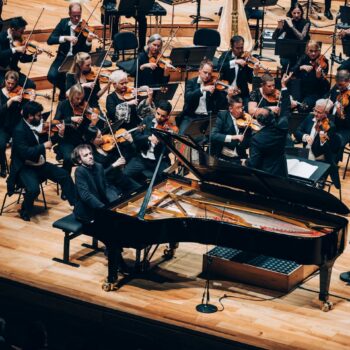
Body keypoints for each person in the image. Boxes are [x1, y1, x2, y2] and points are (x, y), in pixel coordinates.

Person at [7, 101, 76, 221]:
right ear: (30, 116)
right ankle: (25, 209)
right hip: (25, 167)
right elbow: (25, 153)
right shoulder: (19, 130)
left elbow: (50, 142)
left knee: (64, 175)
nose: (41, 118)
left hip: (39, 164)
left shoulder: (38, 126)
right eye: (39, 115)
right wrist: (43, 146)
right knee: (33, 189)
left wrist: (60, 134)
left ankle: (77, 206)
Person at [72, 143, 129, 273]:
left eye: (90, 153)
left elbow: (105, 186)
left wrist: (115, 201)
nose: (90, 156)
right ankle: (118, 261)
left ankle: (112, 251)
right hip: (86, 212)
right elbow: (86, 196)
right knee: (111, 230)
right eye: (85, 155)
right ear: (79, 160)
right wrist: (103, 208)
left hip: (100, 207)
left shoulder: (98, 167)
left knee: (119, 221)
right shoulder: (80, 171)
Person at [245, 73, 292, 177]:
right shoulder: (255, 93)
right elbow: (251, 110)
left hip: (272, 127)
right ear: (262, 85)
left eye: (274, 85)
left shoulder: (276, 94)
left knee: (289, 140)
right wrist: (269, 108)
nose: (272, 88)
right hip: (259, 126)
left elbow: (287, 106)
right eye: (269, 86)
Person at [47, 2, 93, 101]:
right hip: (62, 56)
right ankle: (65, 91)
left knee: (69, 75)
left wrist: (88, 41)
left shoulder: (84, 25)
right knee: (51, 75)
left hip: (76, 59)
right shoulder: (63, 23)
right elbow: (50, 40)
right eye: (74, 16)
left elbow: (86, 51)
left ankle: (67, 96)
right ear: (69, 14)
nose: (77, 19)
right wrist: (65, 38)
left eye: (79, 15)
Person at [123, 100, 175, 181]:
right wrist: (148, 137)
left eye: (163, 116)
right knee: (125, 174)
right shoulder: (147, 120)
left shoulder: (169, 128)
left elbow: (169, 150)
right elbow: (136, 136)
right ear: (156, 110)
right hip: (142, 158)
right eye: (158, 113)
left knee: (169, 178)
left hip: (158, 161)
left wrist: (164, 139)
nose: (159, 117)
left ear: (168, 116)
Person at [295, 98, 341, 188]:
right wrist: (305, 136)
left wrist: (321, 134)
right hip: (305, 152)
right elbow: (297, 131)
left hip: (319, 156)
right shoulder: (309, 117)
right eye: (315, 110)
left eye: (319, 112)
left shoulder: (330, 127)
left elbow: (324, 148)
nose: (315, 114)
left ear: (326, 113)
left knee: (309, 180)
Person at [83, 125, 141, 193]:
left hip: (120, 176)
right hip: (110, 183)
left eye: (101, 134)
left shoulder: (109, 145)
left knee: (140, 189)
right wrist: (114, 165)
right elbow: (99, 174)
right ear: (92, 140)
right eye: (99, 137)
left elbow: (128, 153)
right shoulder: (91, 155)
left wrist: (130, 141)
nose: (102, 137)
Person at [54, 84, 96, 173]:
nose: (80, 101)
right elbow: (56, 122)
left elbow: (87, 127)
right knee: (69, 159)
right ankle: (66, 178)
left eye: (81, 98)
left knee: (93, 156)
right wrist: (70, 119)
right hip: (66, 140)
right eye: (77, 98)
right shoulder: (63, 105)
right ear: (71, 96)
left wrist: (92, 122)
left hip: (80, 139)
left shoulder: (84, 106)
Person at [179, 59, 224, 135]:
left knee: (216, 136)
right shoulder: (191, 82)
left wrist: (226, 95)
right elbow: (188, 98)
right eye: (205, 72)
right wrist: (202, 89)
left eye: (209, 74)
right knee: (182, 136)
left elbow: (220, 104)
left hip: (207, 117)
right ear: (199, 70)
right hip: (191, 116)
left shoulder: (214, 84)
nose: (207, 76)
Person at [0, 71, 29, 178]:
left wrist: (30, 100)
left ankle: (15, 168)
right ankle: (3, 166)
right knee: (1, 145)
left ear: (16, 83)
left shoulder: (20, 92)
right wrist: (11, 100)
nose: (10, 86)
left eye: (13, 84)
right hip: (3, 126)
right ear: (5, 81)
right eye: (8, 83)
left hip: (16, 126)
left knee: (20, 146)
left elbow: (26, 111)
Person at [217, 35, 259, 108]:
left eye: (241, 48)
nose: (240, 50)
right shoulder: (226, 55)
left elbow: (250, 80)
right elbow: (219, 67)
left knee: (247, 110)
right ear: (232, 47)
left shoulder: (246, 58)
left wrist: (255, 72)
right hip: (227, 91)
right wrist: (235, 61)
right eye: (237, 48)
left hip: (242, 93)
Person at [291, 40, 330, 112]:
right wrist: (301, 67)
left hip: (315, 92)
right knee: (289, 105)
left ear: (319, 51)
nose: (313, 53)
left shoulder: (324, 61)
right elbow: (292, 72)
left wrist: (319, 77)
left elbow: (324, 83)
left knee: (303, 108)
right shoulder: (304, 58)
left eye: (316, 51)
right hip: (301, 90)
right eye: (311, 51)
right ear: (307, 51)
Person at [0, 17, 39, 88]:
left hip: (13, 71)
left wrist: (34, 56)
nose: (22, 34)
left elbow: (22, 58)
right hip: (1, 71)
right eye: (21, 32)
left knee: (31, 85)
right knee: (4, 86)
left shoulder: (19, 40)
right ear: (13, 30)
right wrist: (14, 49)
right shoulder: (1, 37)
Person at [211, 96, 252, 163]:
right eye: (238, 108)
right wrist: (233, 137)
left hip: (240, 156)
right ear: (230, 109)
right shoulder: (222, 116)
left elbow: (247, 142)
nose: (241, 110)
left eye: (242, 107)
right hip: (222, 156)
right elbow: (213, 135)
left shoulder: (245, 119)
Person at [273, 3, 310, 72]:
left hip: (299, 52)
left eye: (298, 13)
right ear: (291, 13)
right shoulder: (287, 22)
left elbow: (301, 37)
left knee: (297, 66)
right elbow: (274, 37)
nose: (296, 15)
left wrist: (291, 26)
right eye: (294, 13)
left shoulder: (306, 23)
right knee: (285, 63)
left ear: (301, 12)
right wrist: (279, 27)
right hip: (287, 51)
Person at [330, 70, 350, 160]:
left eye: (341, 85)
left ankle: (333, 163)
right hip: (332, 122)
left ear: (348, 81)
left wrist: (341, 115)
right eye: (337, 84)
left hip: (346, 128)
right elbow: (328, 95)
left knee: (336, 139)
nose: (339, 87)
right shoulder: (337, 87)